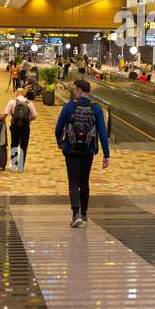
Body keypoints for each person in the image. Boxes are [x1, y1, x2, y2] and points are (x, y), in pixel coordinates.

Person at [55, 78, 110, 227]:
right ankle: (84, 215)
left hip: (71, 149)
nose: (74, 91)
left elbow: (58, 127)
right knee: (84, 181)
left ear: (79, 90)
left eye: (75, 89)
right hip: (88, 150)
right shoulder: (96, 108)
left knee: (73, 182)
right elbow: (103, 133)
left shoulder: (69, 106)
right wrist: (106, 154)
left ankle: (76, 214)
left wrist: (59, 142)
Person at [5, 87, 38, 171]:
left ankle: (14, 165)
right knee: (23, 145)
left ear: (16, 93)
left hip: (15, 126)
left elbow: (5, 114)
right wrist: (28, 120)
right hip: (25, 127)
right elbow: (34, 116)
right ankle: (21, 166)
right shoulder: (29, 103)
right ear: (24, 94)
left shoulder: (12, 102)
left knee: (14, 144)